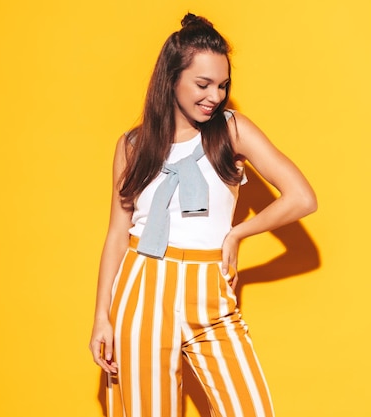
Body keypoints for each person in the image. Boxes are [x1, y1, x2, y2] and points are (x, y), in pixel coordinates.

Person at [88, 12, 317, 417]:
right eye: (203, 84)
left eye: (223, 85)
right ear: (172, 78)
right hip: (142, 287)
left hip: (209, 289)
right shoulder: (132, 145)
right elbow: (116, 235)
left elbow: (302, 197)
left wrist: (237, 233)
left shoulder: (231, 130)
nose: (215, 95)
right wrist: (101, 318)